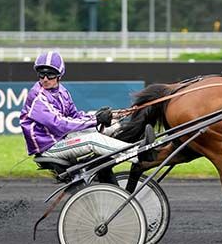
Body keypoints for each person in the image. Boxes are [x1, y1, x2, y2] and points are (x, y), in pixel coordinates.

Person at [19, 50, 154, 164]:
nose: (45, 79)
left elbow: (75, 117)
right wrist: (96, 120)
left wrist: (105, 116)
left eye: (50, 74)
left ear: (59, 75)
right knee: (92, 140)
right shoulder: (37, 97)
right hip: (48, 147)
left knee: (113, 126)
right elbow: (60, 124)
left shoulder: (62, 92)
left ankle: (135, 145)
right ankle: (138, 154)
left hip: (62, 138)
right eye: (42, 74)